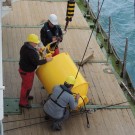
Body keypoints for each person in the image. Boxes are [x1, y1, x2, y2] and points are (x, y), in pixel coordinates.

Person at [19, 34, 52, 109]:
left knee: (25, 85)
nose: (37, 44)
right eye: (35, 43)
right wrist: (46, 60)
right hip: (27, 72)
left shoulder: (25, 47)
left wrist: (36, 49)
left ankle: (26, 96)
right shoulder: (30, 52)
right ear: (31, 42)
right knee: (27, 87)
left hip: (23, 70)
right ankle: (23, 102)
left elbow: (30, 55)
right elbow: (36, 62)